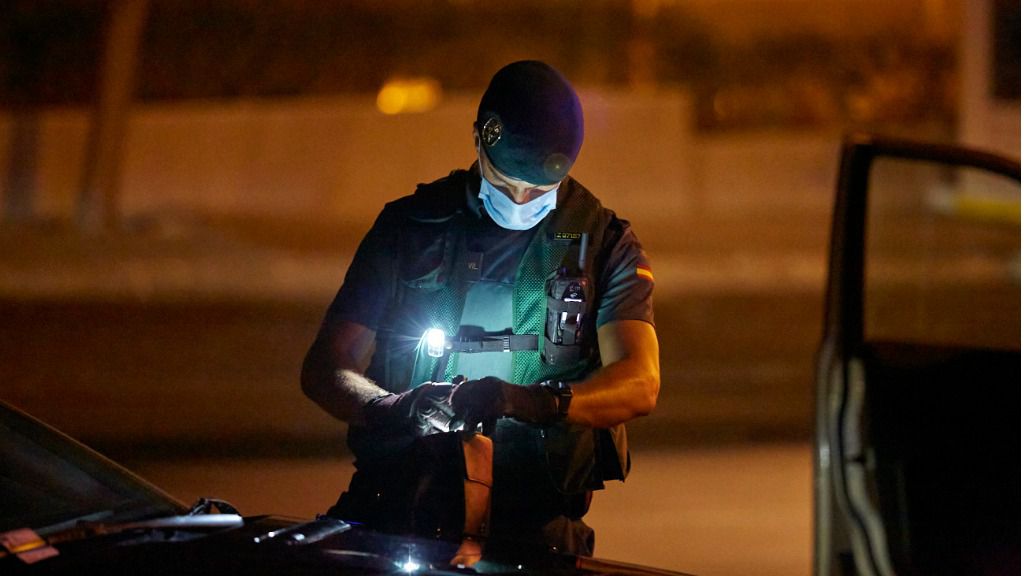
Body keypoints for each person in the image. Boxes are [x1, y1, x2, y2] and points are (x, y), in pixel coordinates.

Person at [301, 60, 659, 557]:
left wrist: (532, 402)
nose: (521, 200)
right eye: (506, 182)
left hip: (538, 530)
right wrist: (395, 408)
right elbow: (326, 365)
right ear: (479, 139)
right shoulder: (410, 226)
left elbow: (640, 382)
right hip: (399, 508)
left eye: (539, 191)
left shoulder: (603, 242)